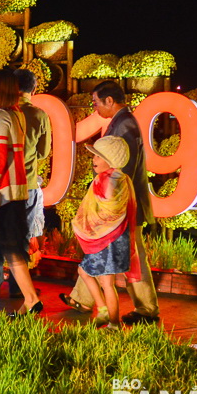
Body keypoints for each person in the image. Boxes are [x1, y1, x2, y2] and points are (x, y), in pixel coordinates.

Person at [60, 80, 160, 325]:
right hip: (122, 206)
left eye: (96, 103)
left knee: (131, 257)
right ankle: (83, 299)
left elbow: (121, 167)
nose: (95, 109)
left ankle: (146, 309)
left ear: (109, 101)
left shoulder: (124, 124)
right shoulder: (123, 121)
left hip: (123, 207)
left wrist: (107, 198)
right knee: (103, 252)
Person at [0, 69, 41, 316]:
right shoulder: (15, 115)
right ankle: (30, 299)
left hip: (0, 194)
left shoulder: (0, 116)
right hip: (15, 192)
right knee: (8, 248)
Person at [0, 69, 53, 295]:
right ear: (33, 89)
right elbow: (44, 152)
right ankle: (18, 287)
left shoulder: (1, 113)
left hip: (1, 183)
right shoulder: (39, 115)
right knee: (22, 237)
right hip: (27, 184)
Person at [72, 136, 142, 331]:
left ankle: (112, 321)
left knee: (98, 279)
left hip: (105, 240)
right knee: (102, 280)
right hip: (118, 238)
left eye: (98, 156)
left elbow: (108, 209)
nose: (94, 160)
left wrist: (89, 222)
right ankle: (105, 313)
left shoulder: (105, 179)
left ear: (110, 159)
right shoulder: (123, 178)